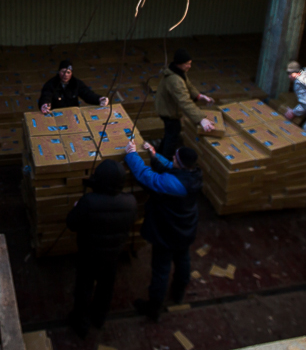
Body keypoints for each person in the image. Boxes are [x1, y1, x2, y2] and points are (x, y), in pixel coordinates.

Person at [125, 140, 202, 322]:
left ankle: (153, 307)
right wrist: (153, 154)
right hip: (186, 229)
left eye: (175, 157)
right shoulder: (194, 174)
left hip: (167, 233)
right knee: (183, 259)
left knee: (161, 269)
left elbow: (147, 177)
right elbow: (171, 167)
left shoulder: (174, 185)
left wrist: (131, 155)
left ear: (181, 163)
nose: (172, 157)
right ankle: (179, 291)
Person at [65, 159, 138, 338]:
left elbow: (72, 224)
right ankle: (99, 318)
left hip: (88, 254)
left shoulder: (89, 202)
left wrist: (77, 208)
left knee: (84, 287)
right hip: (113, 254)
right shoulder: (130, 202)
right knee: (106, 287)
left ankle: (81, 322)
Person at [154, 49, 215, 158]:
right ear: (180, 64)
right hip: (168, 111)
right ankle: (165, 162)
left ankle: (158, 155)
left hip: (169, 108)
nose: (189, 66)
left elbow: (188, 86)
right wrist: (201, 119)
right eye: (187, 64)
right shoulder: (174, 80)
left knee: (170, 133)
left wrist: (199, 96)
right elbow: (185, 101)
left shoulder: (178, 72)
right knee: (172, 135)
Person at [38, 60, 108, 113]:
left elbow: (87, 94)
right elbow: (46, 96)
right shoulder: (51, 84)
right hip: (57, 115)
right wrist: (45, 105)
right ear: (59, 72)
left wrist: (99, 99)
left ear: (71, 73)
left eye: (68, 72)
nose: (65, 75)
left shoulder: (76, 83)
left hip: (73, 114)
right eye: (63, 72)